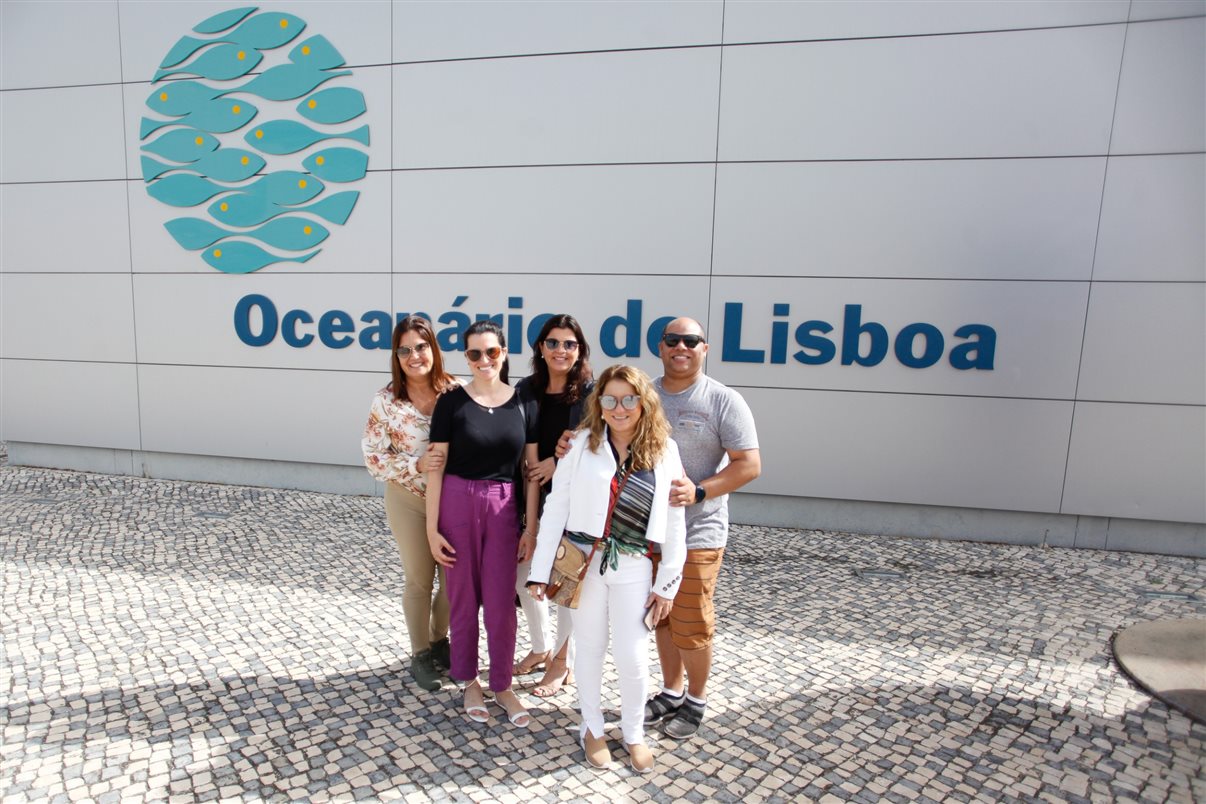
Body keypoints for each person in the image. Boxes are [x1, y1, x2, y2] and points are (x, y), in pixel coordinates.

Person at [528, 365, 686, 773]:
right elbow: (556, 507)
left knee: (633, 655)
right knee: (590, 649)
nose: (620, 408)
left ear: (643, 403)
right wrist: (540, 571)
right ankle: (592, 728)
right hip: (584, 564)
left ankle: (633, 733)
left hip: (634, 564)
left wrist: (667, 584)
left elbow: (674, 523)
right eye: (610, 399)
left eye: (629, 398)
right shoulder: (581, 444)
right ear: (598, 404)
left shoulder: (664, 449)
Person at [645, 317, 760, 739]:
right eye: (673, 340)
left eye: (691, 340)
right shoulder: (646, 395)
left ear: (704, 348)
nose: (681, 347)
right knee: (660, 616)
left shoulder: (723, 400)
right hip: (649, 532)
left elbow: (749, 465)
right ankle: (671, 691)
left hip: (699, 533)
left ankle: (696, 698)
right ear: (661, 347)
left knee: (691, 621)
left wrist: (699, 491)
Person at [425, 320, 540, 727]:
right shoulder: (451, 403)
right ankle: (469, 679)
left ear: (504, 353)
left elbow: (530, 471)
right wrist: (431, 529)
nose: (484, 360)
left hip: (504, 506)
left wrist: (531, 528)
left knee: (500, 603)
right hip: (456, 502)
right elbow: (435, 469)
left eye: (491, 352)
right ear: (467, 358)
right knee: (461, 596)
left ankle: (502, 684)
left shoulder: (523, 403)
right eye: (475, 353)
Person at [361, 316, 460, 692]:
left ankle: (439, 639)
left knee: (453, 581)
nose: (414, 355)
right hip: (408, 499)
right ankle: (420, 654)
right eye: (405, 350)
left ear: (433, 348)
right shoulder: (386, 401)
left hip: (452, 500)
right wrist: (415, 464)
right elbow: (372, 458)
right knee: (420, 578)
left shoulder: (457, 392)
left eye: (420, 346)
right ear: (396, 357)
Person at [513, 314, 594, 697]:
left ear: (579, 351)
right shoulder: (526, 389)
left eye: (569, 344)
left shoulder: (592, 394)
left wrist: (557, 463)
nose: (561, 350)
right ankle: (541, 647)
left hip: (574, 501)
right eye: (553, 343)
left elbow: (601, 451)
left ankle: (564, 663)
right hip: (529, 495)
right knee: (523, 575)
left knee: (564, 582)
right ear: (540, 349)